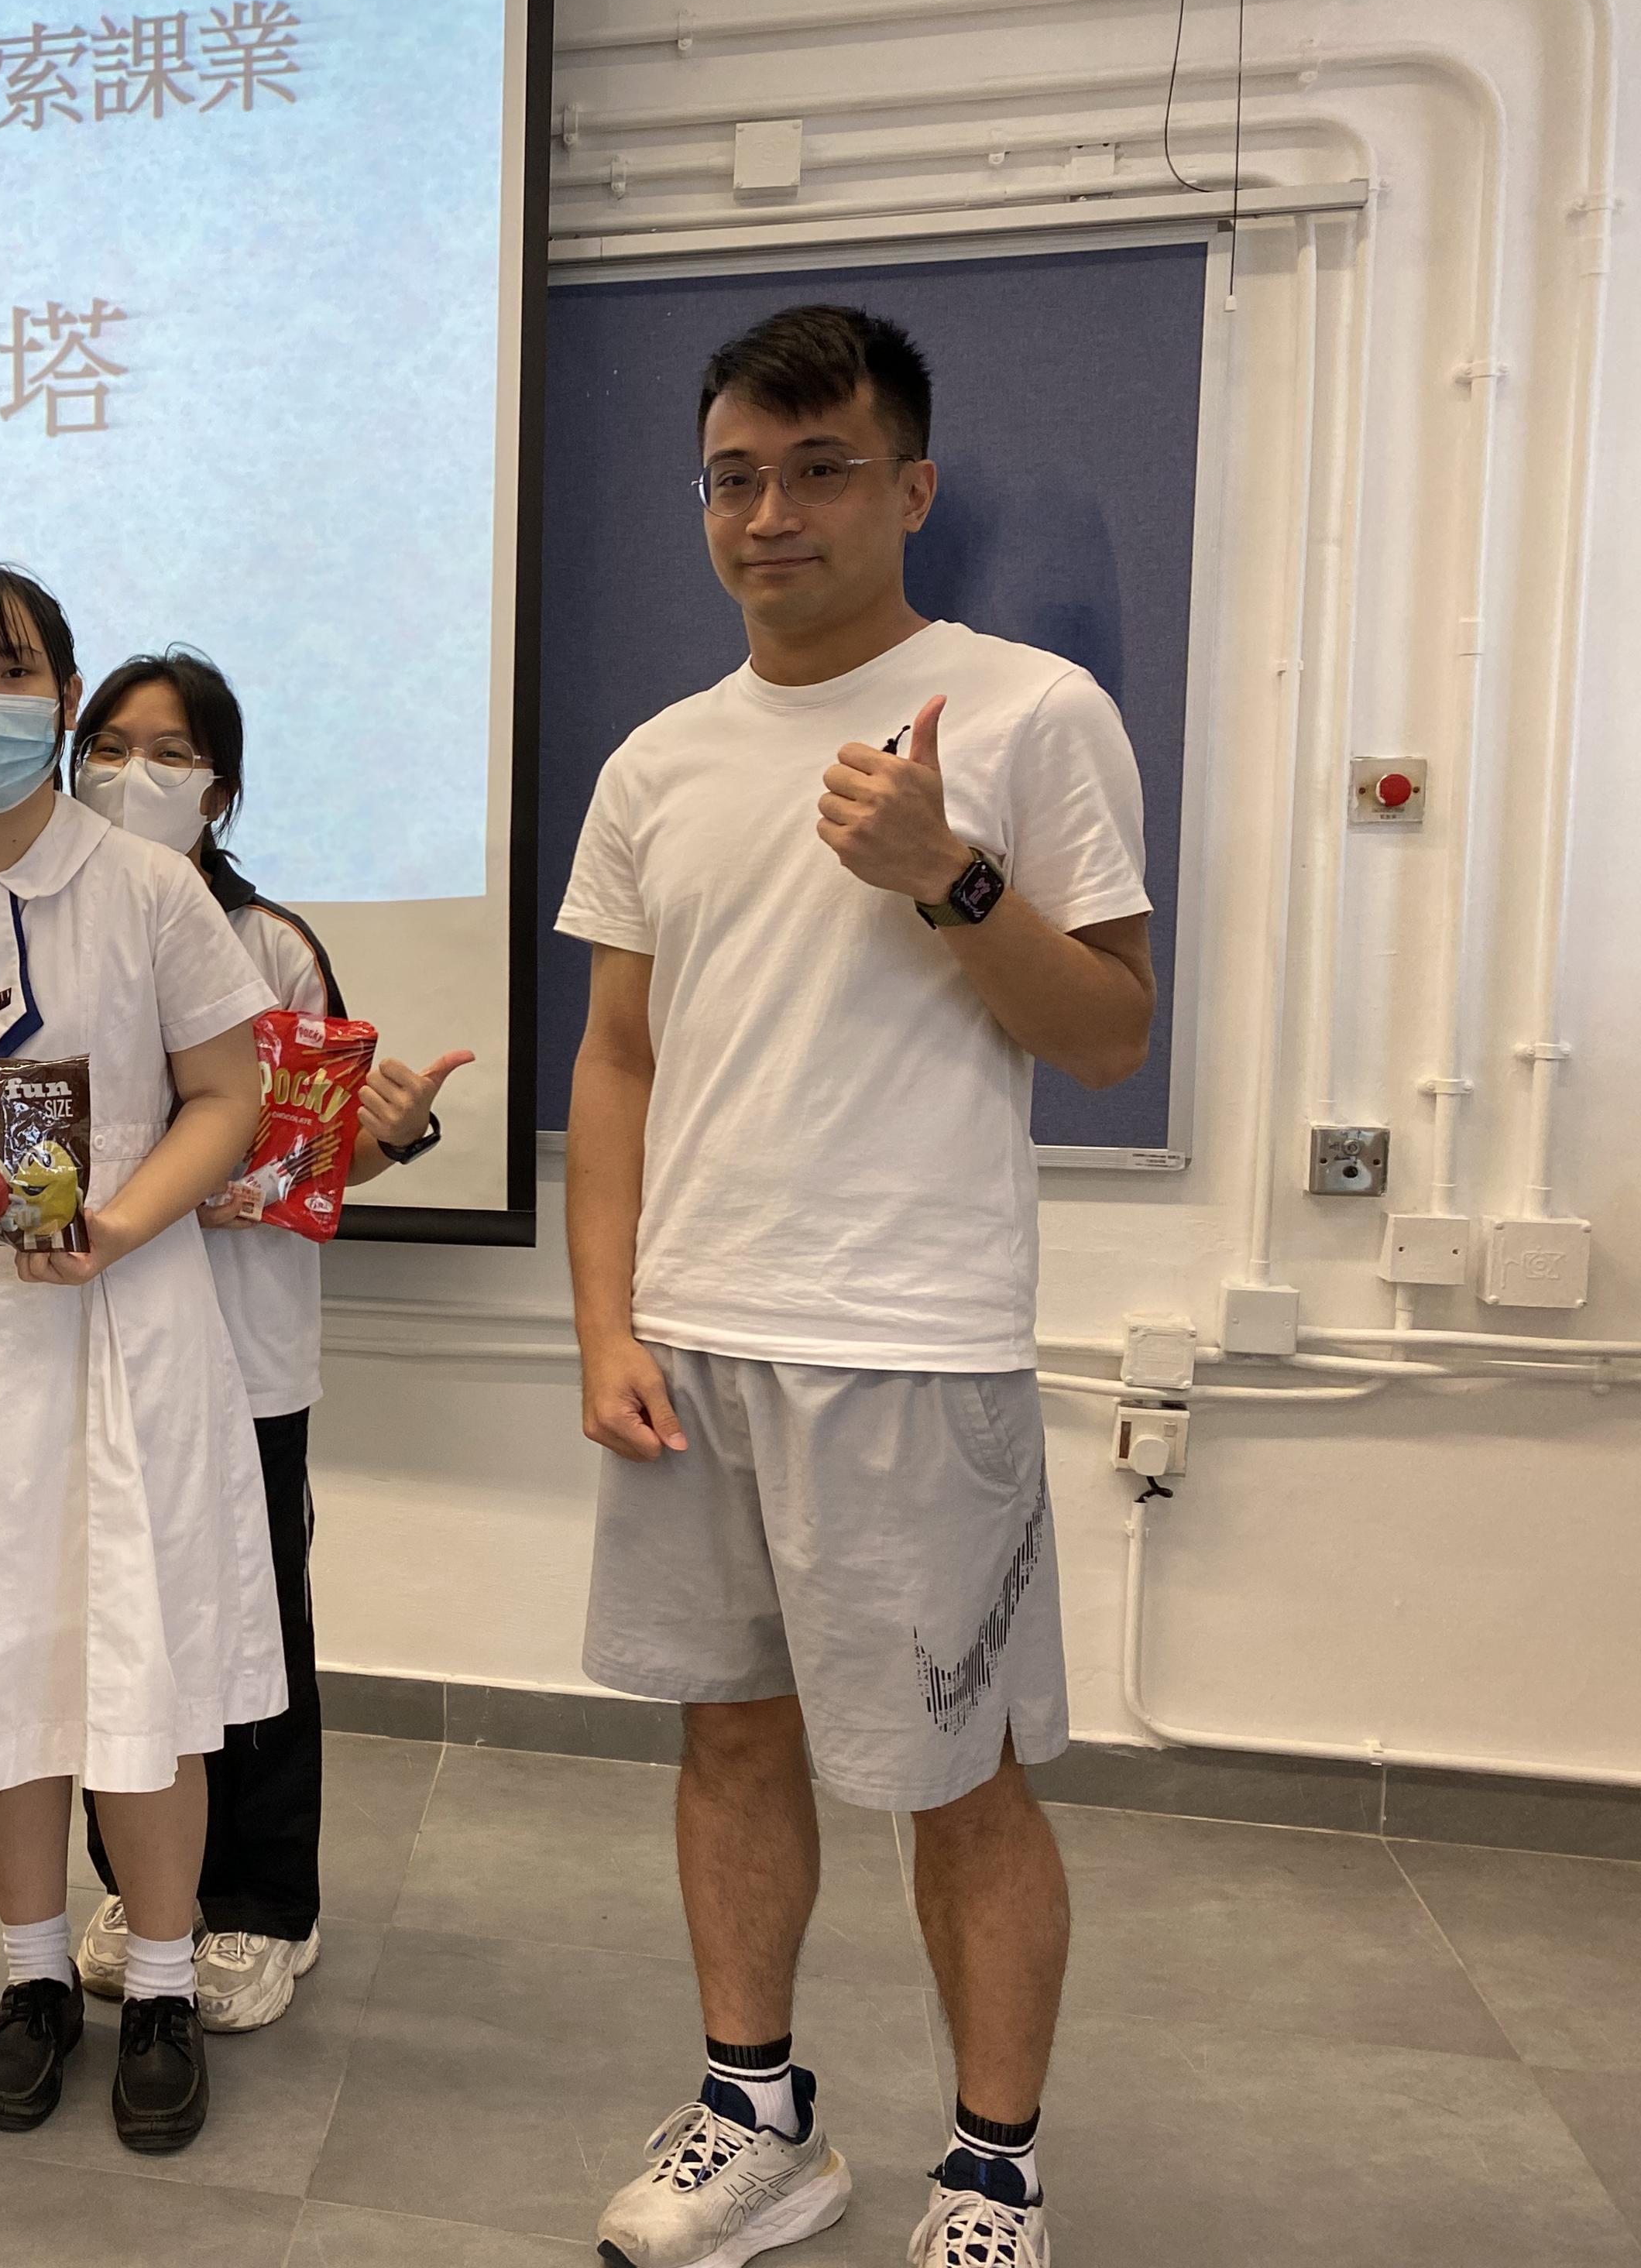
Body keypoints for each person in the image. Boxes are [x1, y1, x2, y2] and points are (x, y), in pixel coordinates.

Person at [560, 306, 1152, 2268]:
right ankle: (758, 2118)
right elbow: (619, 1060)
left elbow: (1111, 1037)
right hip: (694, 1339)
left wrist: (949, 873)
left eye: (819, 471)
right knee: (728, 1738)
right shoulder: (658, 761)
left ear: (909, 489)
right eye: (735, 476)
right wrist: (608, 1322)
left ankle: (993, 2168)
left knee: (955, 1779)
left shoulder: (1030, 714)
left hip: (910, 1342)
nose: (772, 514)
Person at [0, 569, 281, 2156]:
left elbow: (228, 1095)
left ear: (65, 699)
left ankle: (161, 1985)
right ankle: (29, 1977)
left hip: (126, 1336)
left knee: (143, 1673)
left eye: (10, 672)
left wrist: (121, 1224)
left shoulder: (147, 888)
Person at [55, 649, 472, 2033]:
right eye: (110, 745)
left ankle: (265, 1905)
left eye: (170, 753)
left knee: (252, 1625)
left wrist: (394, 1132)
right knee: (114, 1624)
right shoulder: (44, 926)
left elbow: (316, 1153)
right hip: (95, 1341)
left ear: (220, 790)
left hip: (241, 1351)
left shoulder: (268, 943)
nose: (134, 774)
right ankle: (142, 1889)